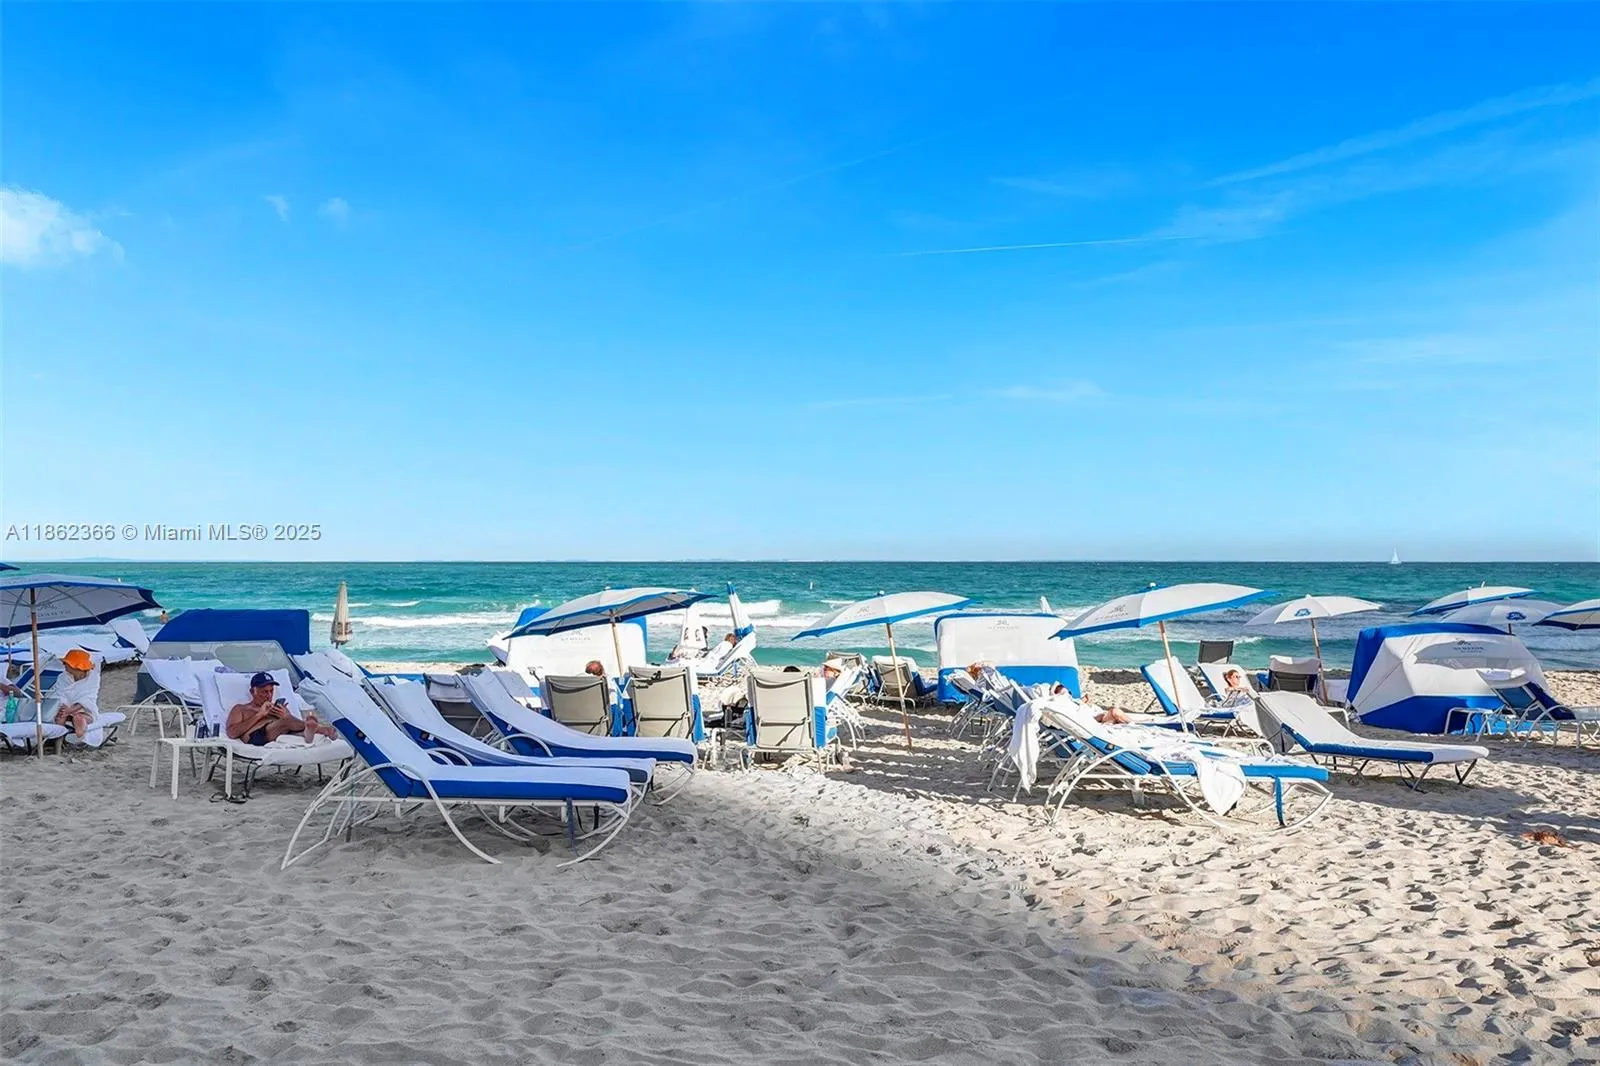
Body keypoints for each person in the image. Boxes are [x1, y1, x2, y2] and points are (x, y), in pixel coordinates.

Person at [226, 671, 335, 746]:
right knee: (287, 721)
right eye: (264, 692)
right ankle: (320, 729)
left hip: (278, 732)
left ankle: (307, 732)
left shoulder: (276, 707)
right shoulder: (241, 709)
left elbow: (292, 724)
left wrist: (285, 714)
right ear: (252, 692)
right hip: (255, 736)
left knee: (288, 722)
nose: (269, 695)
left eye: (271, 691)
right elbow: (231, 733)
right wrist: (259, 715)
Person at [49, 649, 102, 740]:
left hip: (85, 709)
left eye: (66, 663)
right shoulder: (63, 677)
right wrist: (64, 708)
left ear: (74, 666)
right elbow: (59, 693)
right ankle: (57, 740)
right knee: (60, 716)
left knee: (79, 717)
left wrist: (71, 710)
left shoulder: (93, 677)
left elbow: (88, 697)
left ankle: (81, 736)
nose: (64, 665)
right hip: (65, 707)